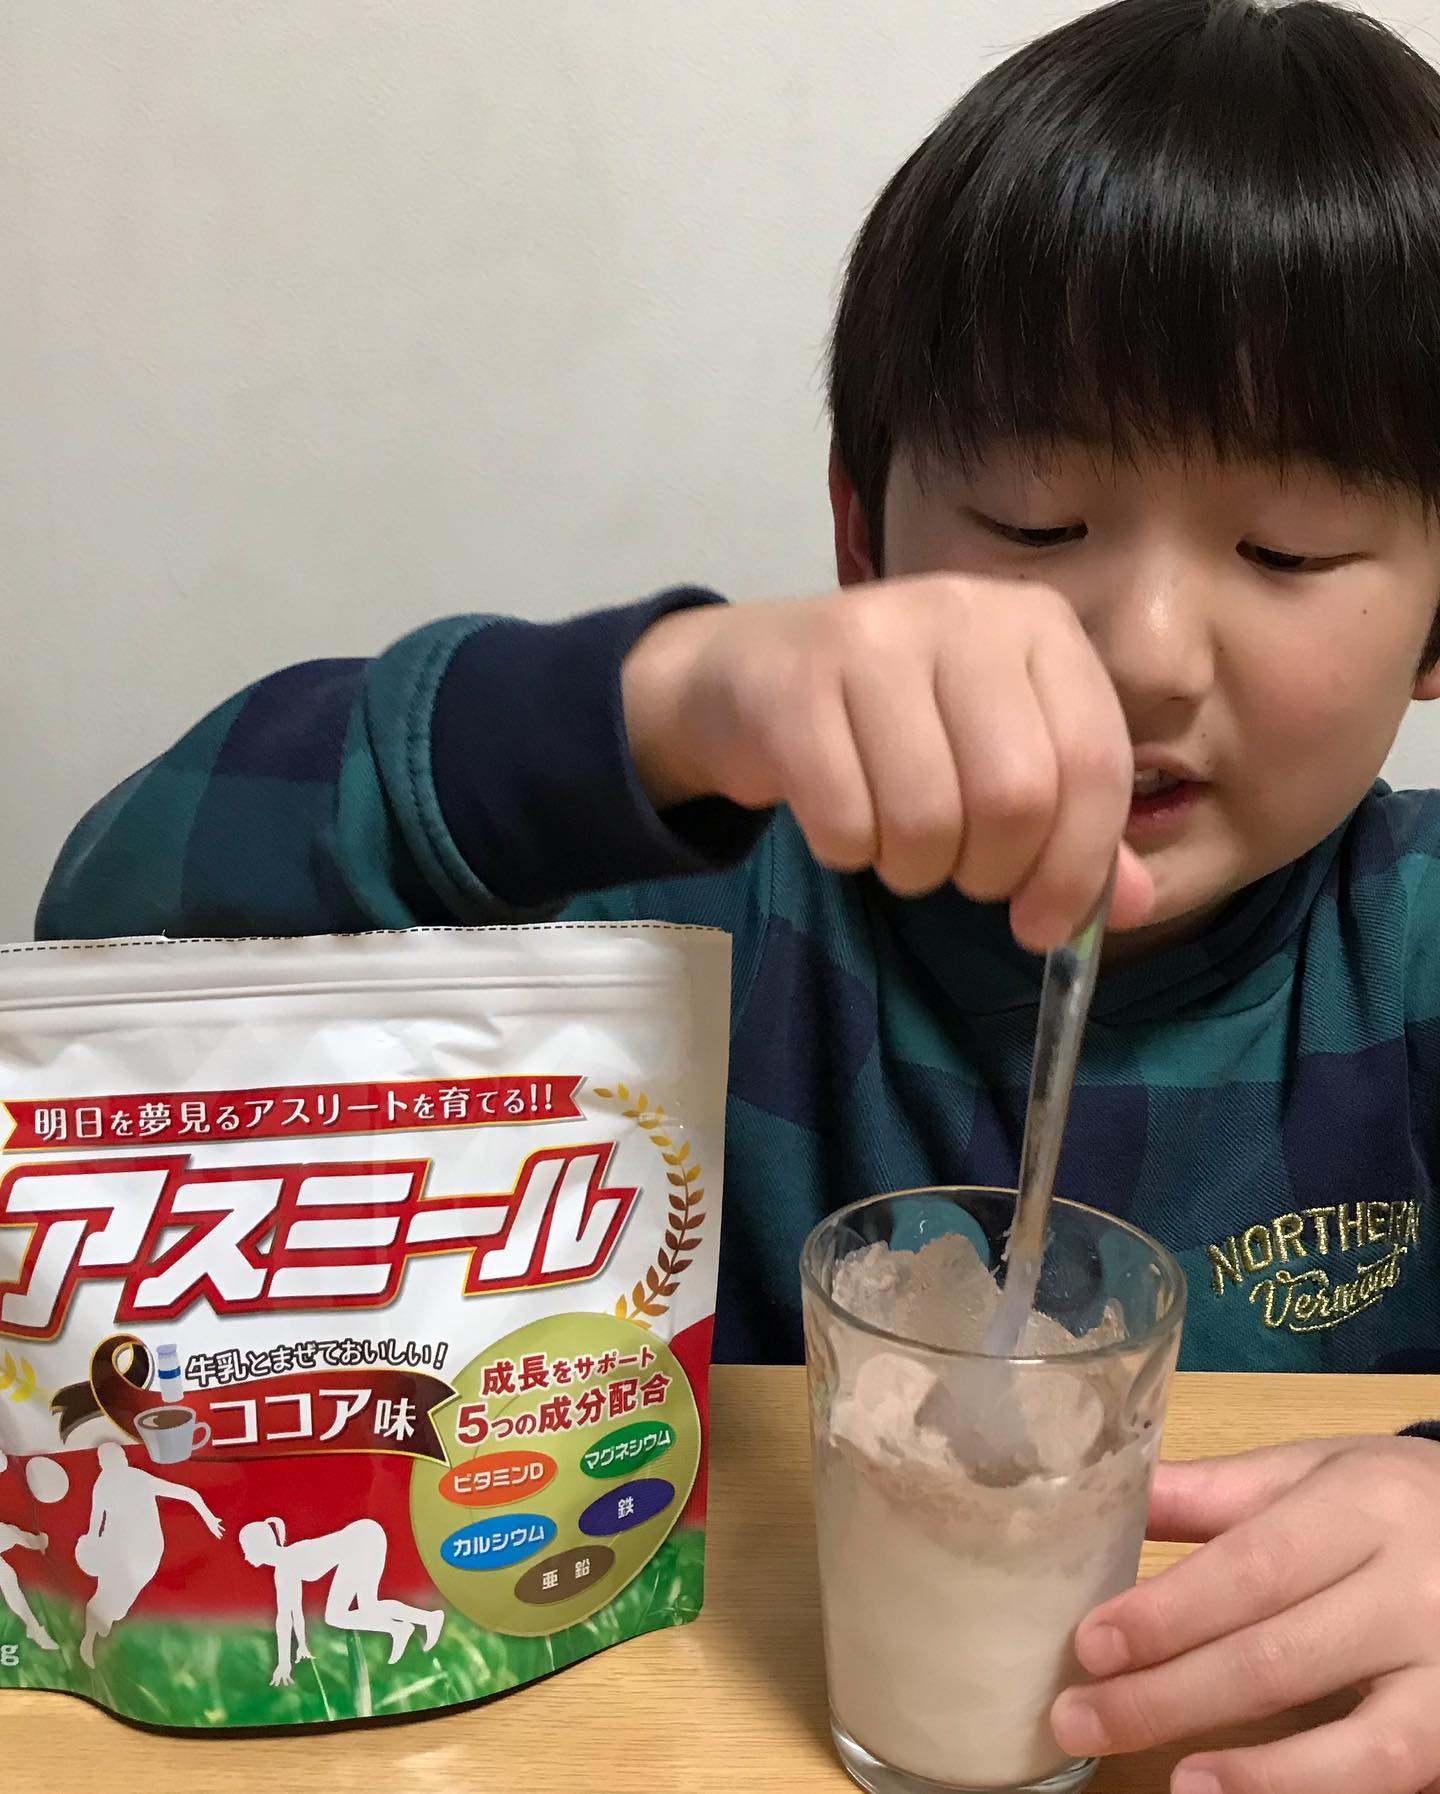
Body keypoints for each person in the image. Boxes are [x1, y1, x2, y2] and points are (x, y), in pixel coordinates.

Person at [35, 0, 1440, 1783]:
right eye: (1034, 520)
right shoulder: (710, 898)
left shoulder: (1413, 952)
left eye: (1288, 548)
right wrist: (661, 706)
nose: (1147, 648)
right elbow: (119, 905)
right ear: (863, 535)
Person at [237, 1516, 444, 1687]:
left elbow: (287, 1617)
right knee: (368, 1606)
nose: (245, 1556)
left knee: (337, 1615)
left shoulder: (289, 1562)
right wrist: (295, 1651)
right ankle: (409, 1625)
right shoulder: (285, 1569)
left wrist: (286, 1662)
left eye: (246, 1548)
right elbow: (290, 1615)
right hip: (365, 1536)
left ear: (261, 1546)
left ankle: (415, 1624)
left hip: (363, 1539)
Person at [76, 1440, 224, 1666]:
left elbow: (187, 1493)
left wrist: (208, 1516)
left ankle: (103, 1625)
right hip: (118, 1550)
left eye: (119, 1459)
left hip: (147, 1551)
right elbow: (95, 1526)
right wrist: (91, 1548)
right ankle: (88, 1641)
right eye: (110, 1461)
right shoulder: (104, 1485)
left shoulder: (136, 1479)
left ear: (124, 1460)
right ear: (104, 1464)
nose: (117, 1464)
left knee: (117, 1609)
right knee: (104, 1598)